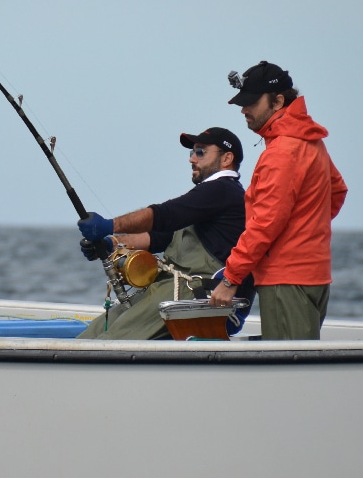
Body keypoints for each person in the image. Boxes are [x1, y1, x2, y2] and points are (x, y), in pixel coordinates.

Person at [209, 61, 347, 340]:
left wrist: (230, 279)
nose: (243, 109)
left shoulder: (281, 152)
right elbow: (337, 191)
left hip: (286, 280)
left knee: (293, 375)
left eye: (250, 102)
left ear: (278, 101)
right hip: (315, 276)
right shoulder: (312, 142)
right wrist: (305, 231)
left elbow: (265, 224)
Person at [76, 127, 255, 340]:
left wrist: (110, 225)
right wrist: (111, 243)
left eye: (200, 152)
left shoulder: (223, 190)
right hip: (173, 288)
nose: (192, 159)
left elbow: (165, 215)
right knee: (94, 333)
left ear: (227, 158)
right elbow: (162, 236)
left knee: (111, 339)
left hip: (204, 298)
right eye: (192, 152)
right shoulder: (208, 196)